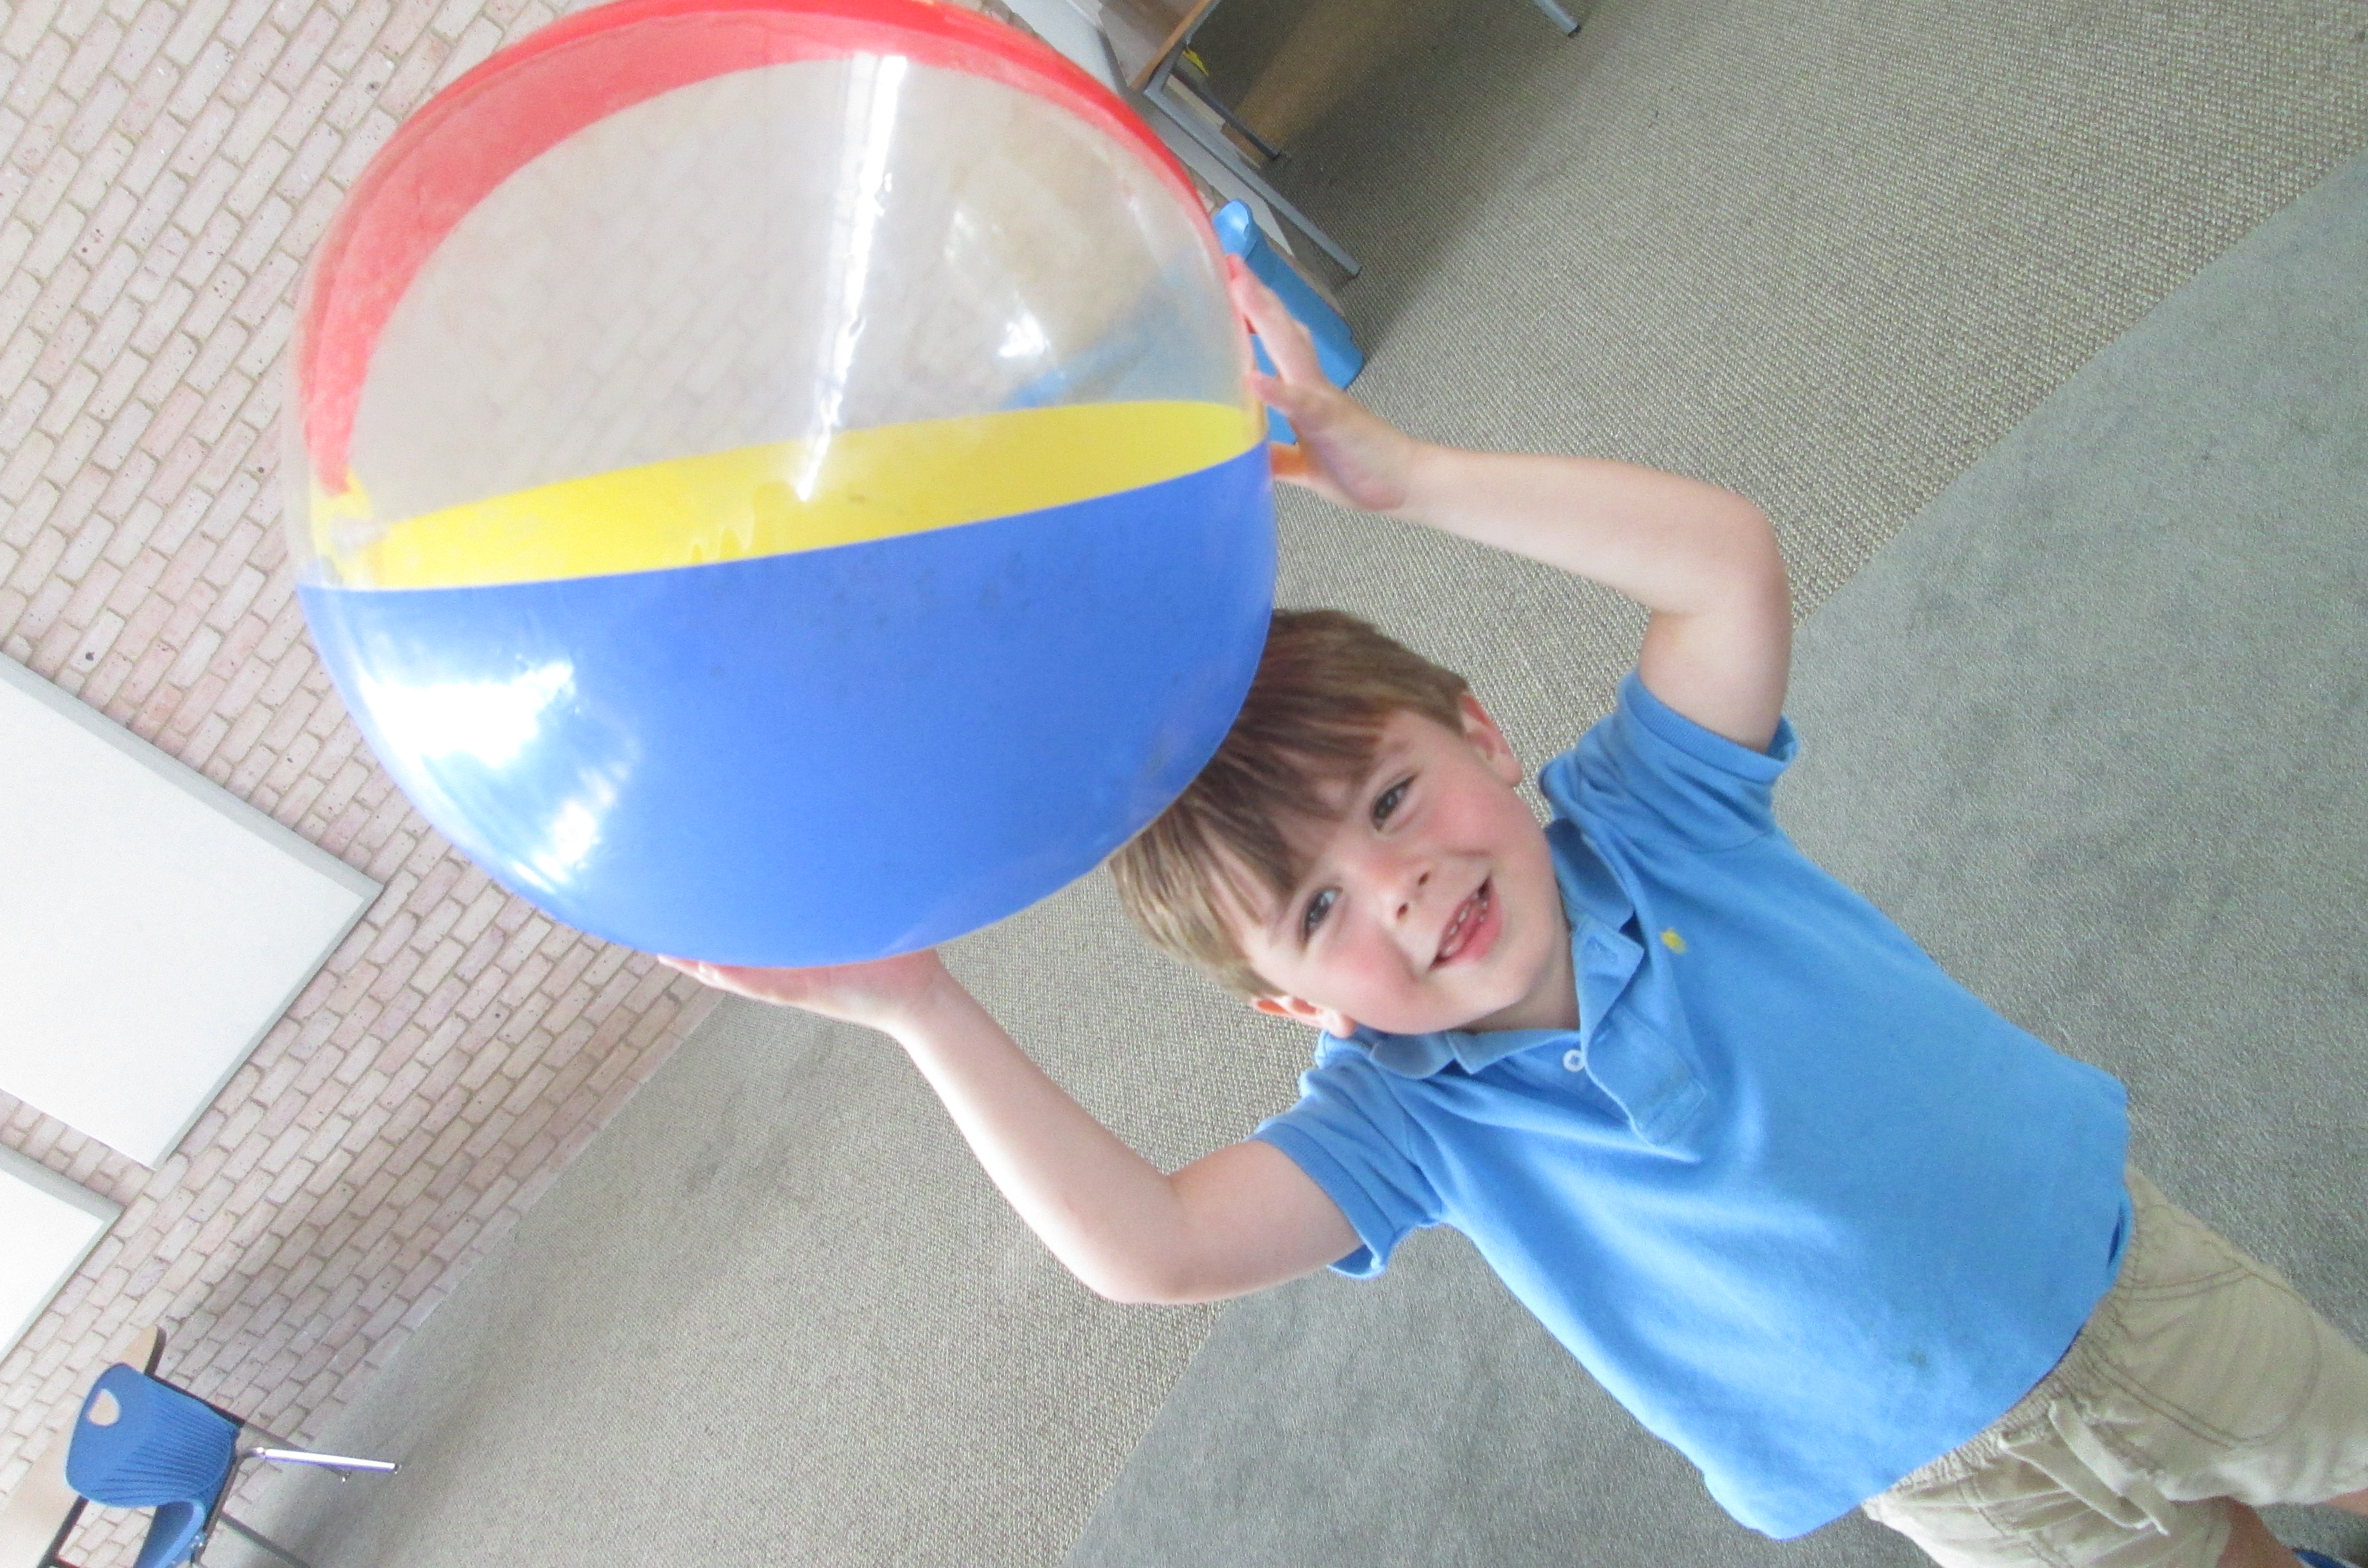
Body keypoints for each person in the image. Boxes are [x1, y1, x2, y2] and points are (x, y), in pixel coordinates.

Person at [662, 262, 2368, 1568]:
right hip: (1956, 1477)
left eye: (1393, 800)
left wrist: (1408, 475)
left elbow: (1724, 564)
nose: (1401, 886)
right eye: (1319, 907)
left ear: (1483, 733)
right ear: (1295, 1008)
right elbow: (1156, 1248)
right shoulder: (1407, 1126)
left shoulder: (1653, 826)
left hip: (2121, 1281)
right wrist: (922, 1009)